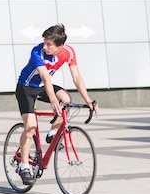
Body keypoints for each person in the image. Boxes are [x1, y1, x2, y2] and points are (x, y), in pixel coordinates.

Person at [15, 23, 97, 185]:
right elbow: (46, 78)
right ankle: (24, 165)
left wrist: (88, 99)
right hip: (26, 89)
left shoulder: (68, 52)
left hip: (45, 87)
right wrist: (53, 100)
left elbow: (76, 77)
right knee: (30, 127)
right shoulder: (37, 52)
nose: (45, 46)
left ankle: (53, 133)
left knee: (66, 100)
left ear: (60, 45)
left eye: (49, 44)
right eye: (44, 42)